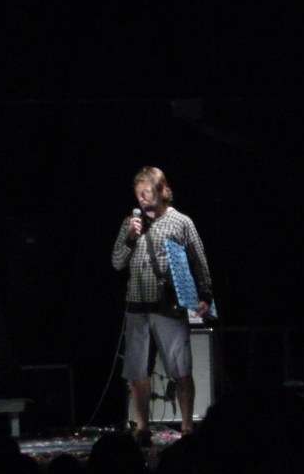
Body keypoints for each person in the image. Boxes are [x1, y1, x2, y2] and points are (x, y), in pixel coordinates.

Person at [112, 166, 213, 444]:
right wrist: (130, 238)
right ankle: (142, 428)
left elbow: (199, 259)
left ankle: (187, 428)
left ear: (160, 190)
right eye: (138, 193)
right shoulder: (131, 223)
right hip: (137, 309)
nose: (141, 197)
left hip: (169, 307)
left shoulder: (181, 222)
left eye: (146, 192)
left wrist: (205, 294)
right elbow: (117, 262)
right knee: (137, 373)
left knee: (180, 369)